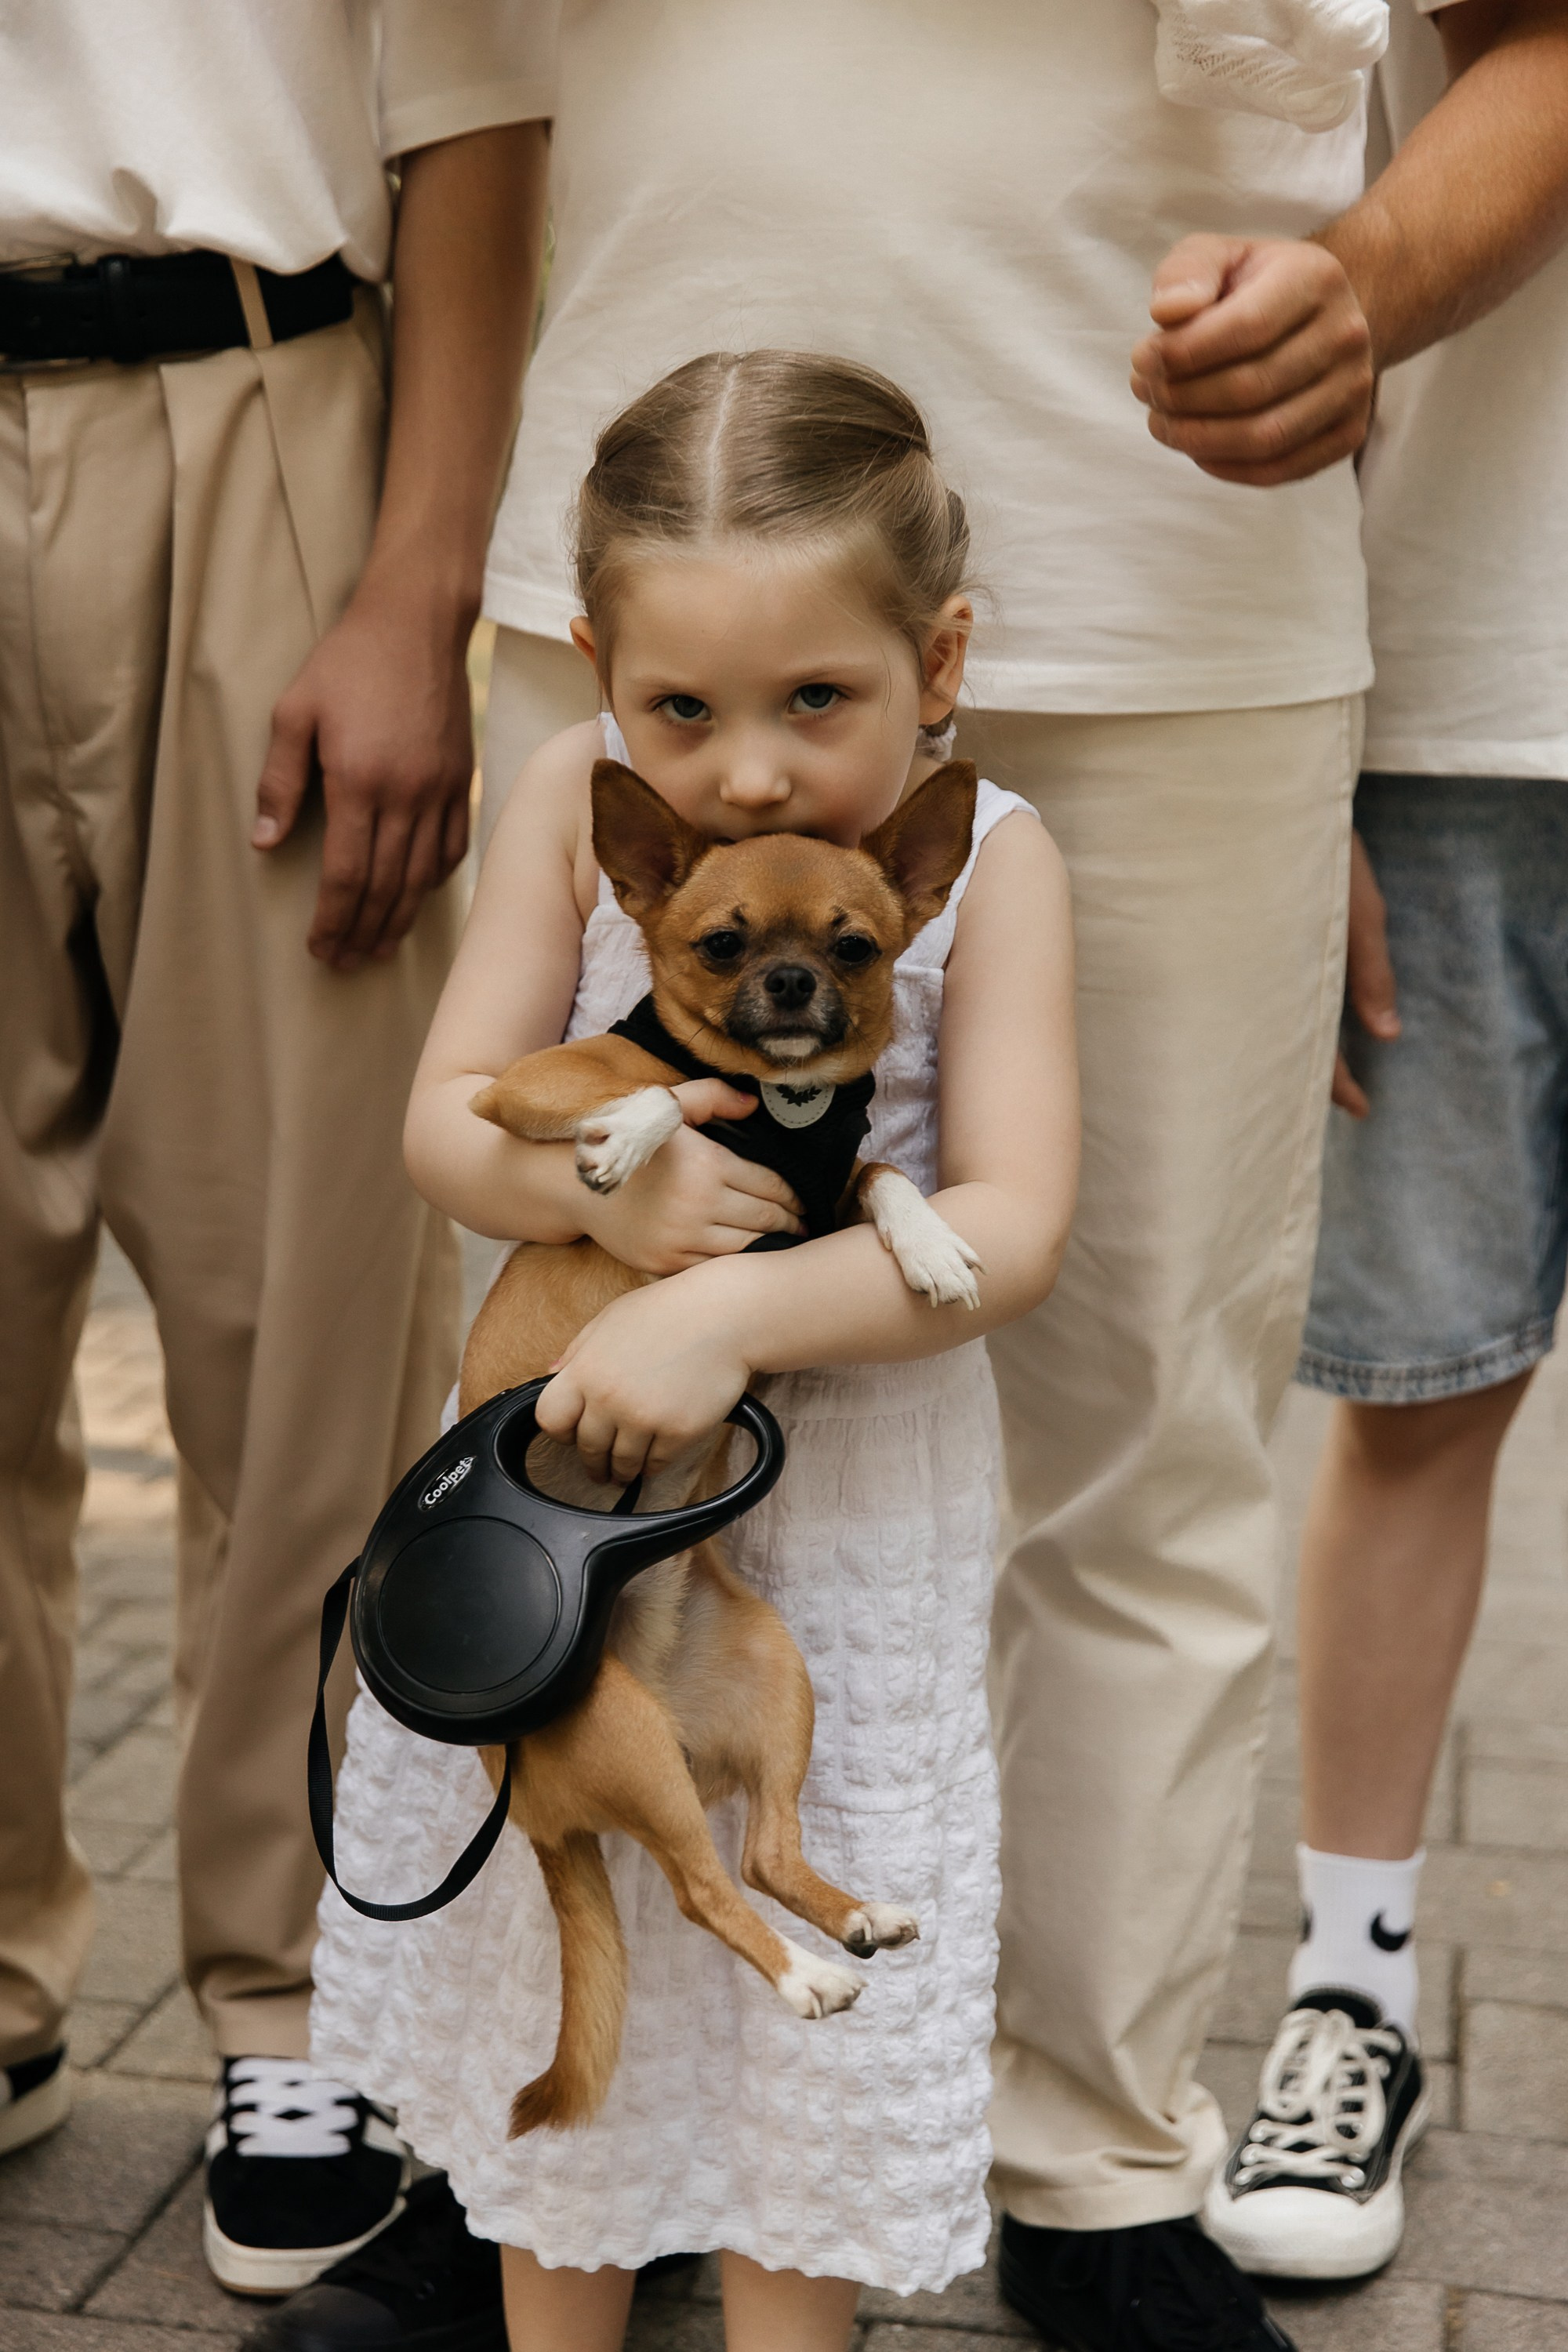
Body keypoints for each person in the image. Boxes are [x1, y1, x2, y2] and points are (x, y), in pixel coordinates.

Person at [269, 3, 1568, 2346]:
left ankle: (1092, 2166)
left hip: (1189, 568)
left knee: (1152, 1444)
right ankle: (552, 2165)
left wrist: (1364, 275)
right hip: (658, 561)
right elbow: (463, 70)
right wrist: (418, 564)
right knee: (551, 1410)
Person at [306, 349, 1077, 2352]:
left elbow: (1007, 1225)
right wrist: (599, 1206)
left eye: (815, 700)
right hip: (562, 1520)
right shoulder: (575, 811)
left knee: (799, 2093)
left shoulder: (991, 863)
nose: (745, 768)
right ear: (592, 676)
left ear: (941, 659)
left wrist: (726, 1305)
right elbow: (445, 1115)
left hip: (850, 1527)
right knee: (565, 1994)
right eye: (681, 709)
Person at [0, 0, 550, 2297]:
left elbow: (479, 109)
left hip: (271, 403)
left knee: (298, 1294)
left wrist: (418, 587)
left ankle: (303, 1994)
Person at [1203, 0, 1568, 2285]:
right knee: (1423, 1393)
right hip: (1469, 682)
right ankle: (1351, 1990)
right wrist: (1304, 722)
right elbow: (1297, 168)